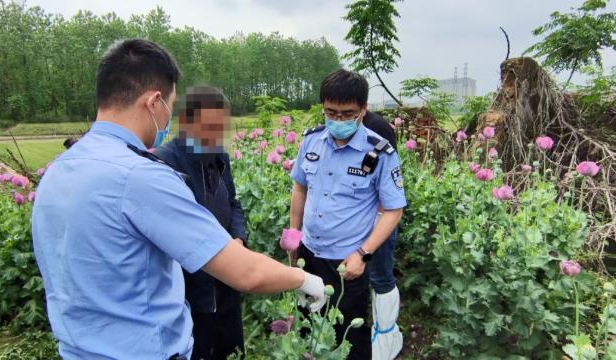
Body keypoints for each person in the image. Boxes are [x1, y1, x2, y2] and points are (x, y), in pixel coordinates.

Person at [31, 38, 326, 360]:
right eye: (170, 105)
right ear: (154, 102)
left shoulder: (60, 169)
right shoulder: (139, 175)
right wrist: (303, 278)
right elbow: (246, 273)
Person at [289, 69, 407, 360]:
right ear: (323, 108)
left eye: (347, 113)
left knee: (348, 338)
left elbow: (394, 210)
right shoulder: (312, 141)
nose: (338, 120)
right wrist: (293, 236)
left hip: (348, 262)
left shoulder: (380, 152)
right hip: (310, 254)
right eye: (331, 112)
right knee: (308, 326)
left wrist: (363, 254)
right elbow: (300, 188)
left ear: (363, 110)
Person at [155, 86, 246, 360]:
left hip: (228, 283)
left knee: (231, 351)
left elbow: (232, 202)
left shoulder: (219, 156)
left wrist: (238, 238)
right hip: (193, 290)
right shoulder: (165, 162)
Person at [362, 110, 405, 359]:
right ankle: (377, 330)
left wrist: (379, 219)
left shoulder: (378, 127)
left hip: (380, 216)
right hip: (358, 218)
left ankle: (387, 337)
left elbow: (390, 175)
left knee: (380, 276)